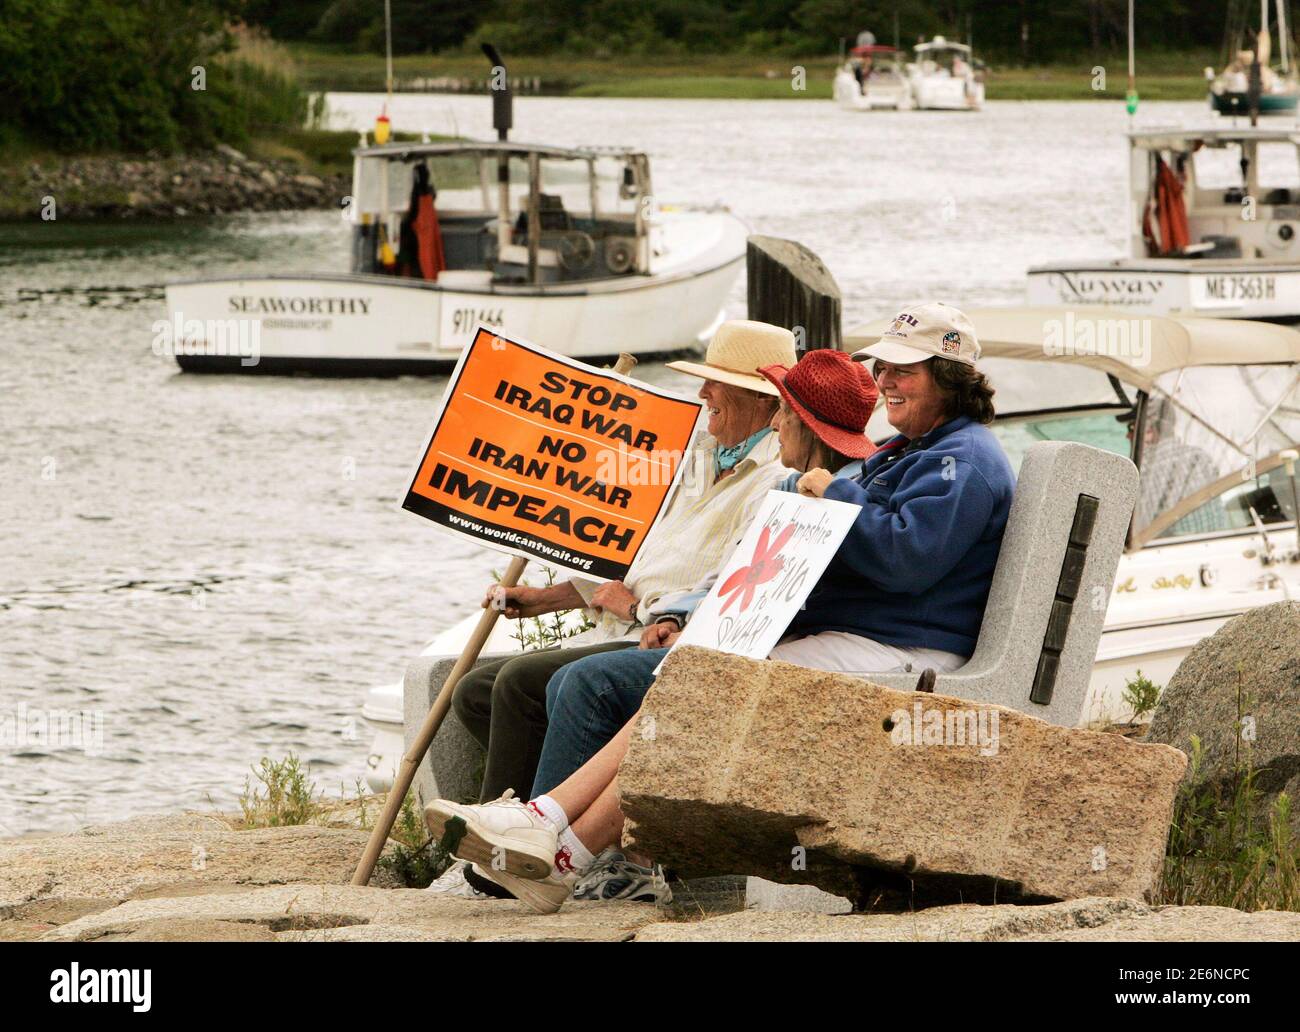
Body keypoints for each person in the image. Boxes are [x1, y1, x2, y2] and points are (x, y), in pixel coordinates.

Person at [424, 303, 1017, 914]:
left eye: (905, 371)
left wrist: (834, 494)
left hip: (900, 649)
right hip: (859, 636)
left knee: (700, 686)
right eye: (883, 368)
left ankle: (551, 831)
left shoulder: (963, 460)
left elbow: (908, 561)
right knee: (694, 680)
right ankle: (557, 841)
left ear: (950, 378)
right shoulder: (912, 450)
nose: (887, 380)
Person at [429, 319, 795, 898]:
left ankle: (514, 864)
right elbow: (636, 557)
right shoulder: (698, 459)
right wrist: (547, 598)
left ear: (761, 400)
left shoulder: (775, 479)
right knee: (476, 689)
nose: (703, 394)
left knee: (525, 684)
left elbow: (725, 586)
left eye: (715, 385)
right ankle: (508, 833)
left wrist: (647, 611)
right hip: (633, 622)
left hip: (659, 635)